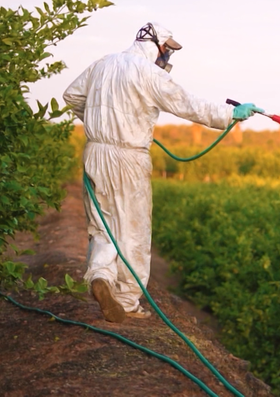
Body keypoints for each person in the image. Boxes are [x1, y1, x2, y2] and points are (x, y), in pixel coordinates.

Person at [63, 22, 261, 322]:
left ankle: (100, 277)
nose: (168, 57)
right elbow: (188, 104)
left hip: (95, 152)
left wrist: (100, 122)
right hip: (128, 159)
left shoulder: (103, 63)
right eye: (167, 49)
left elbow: (72, 96)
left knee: (103, 224)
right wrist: (231, 113)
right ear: (154, 44)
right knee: (134, 230)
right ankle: (128, 301)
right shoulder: (147, 72)